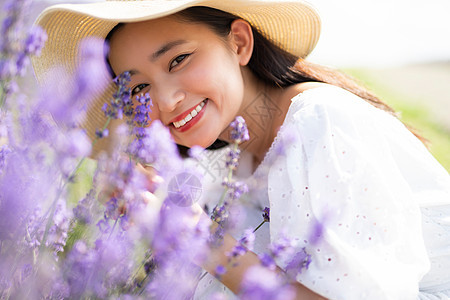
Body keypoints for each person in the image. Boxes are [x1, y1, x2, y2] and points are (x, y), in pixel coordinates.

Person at [32, 0, 450, 299]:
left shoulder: (321, 122)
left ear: (239, 42)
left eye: (178, 60)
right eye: (139, 87)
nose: (165, 100)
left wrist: (199, 239)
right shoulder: (224, 165)